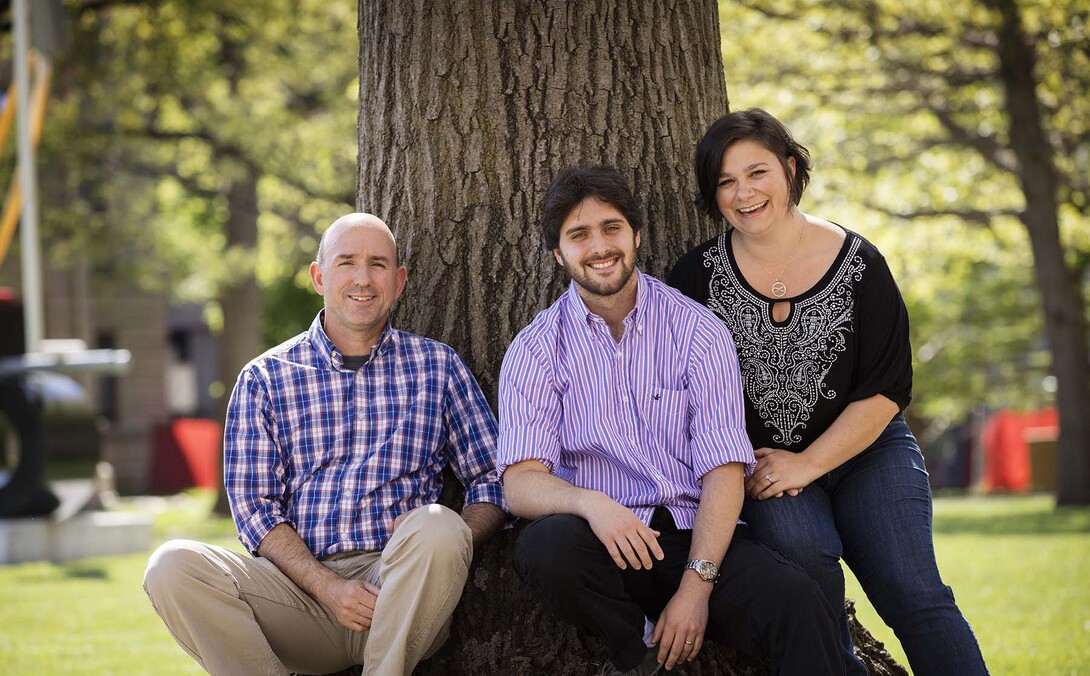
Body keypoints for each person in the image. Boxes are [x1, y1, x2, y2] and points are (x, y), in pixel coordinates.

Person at [667, 108, 989, 676]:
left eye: (757, 172)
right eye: (725, 181)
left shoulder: (859, 262)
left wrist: (808, 464)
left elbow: (887, 389)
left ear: (790, 170)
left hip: (868, 452)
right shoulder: (694, 279)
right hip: (765, 470)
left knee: (914, 592)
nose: (743, 193)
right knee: (807, 568)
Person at [498, 165, 845, 676]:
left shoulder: (697, 330)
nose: (599, 246)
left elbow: (725, 470)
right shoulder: (536, 349)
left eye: (612, 227)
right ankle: (640, 654)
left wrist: (695, 587)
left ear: (636, 234)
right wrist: (590, 503)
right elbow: (520, 484)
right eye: (579, 235)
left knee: (799, 602)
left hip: (696, 536)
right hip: (604, 544)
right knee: (546, 548)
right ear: (558, 253)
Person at [143, 213, 507, 676]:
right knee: (171, 567)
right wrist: (328, 588)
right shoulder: (265, 378)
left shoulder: (437, 367)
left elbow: (494, 478)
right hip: (299, 597)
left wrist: (454, 540)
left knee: (438, 524)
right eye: (346, 262)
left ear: (398, 282)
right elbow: (255, 509)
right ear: (319, 276)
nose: (362, 278)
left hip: (402, 591)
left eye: (378, 265)